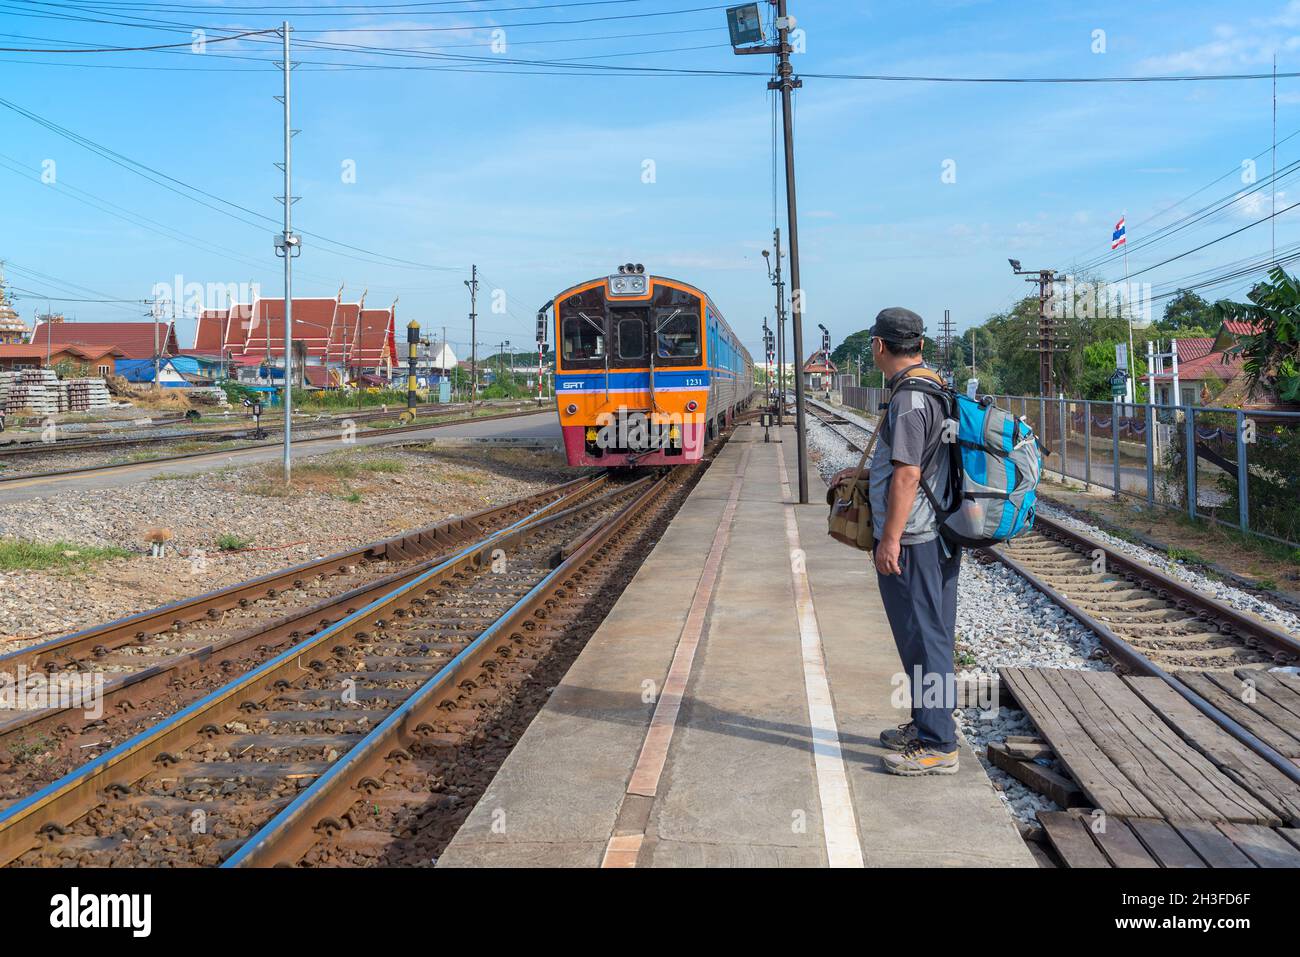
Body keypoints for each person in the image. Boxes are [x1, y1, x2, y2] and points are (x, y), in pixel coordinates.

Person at [865, 307, 961, 777]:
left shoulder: (908, 400)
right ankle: (928, 724)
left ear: (880, 346)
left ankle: (939, 743)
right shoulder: (933, 385)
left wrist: (889, 539)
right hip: (935, 531)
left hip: (916, 537)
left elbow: (908, 474)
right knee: (931, 635)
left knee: (924, 639)